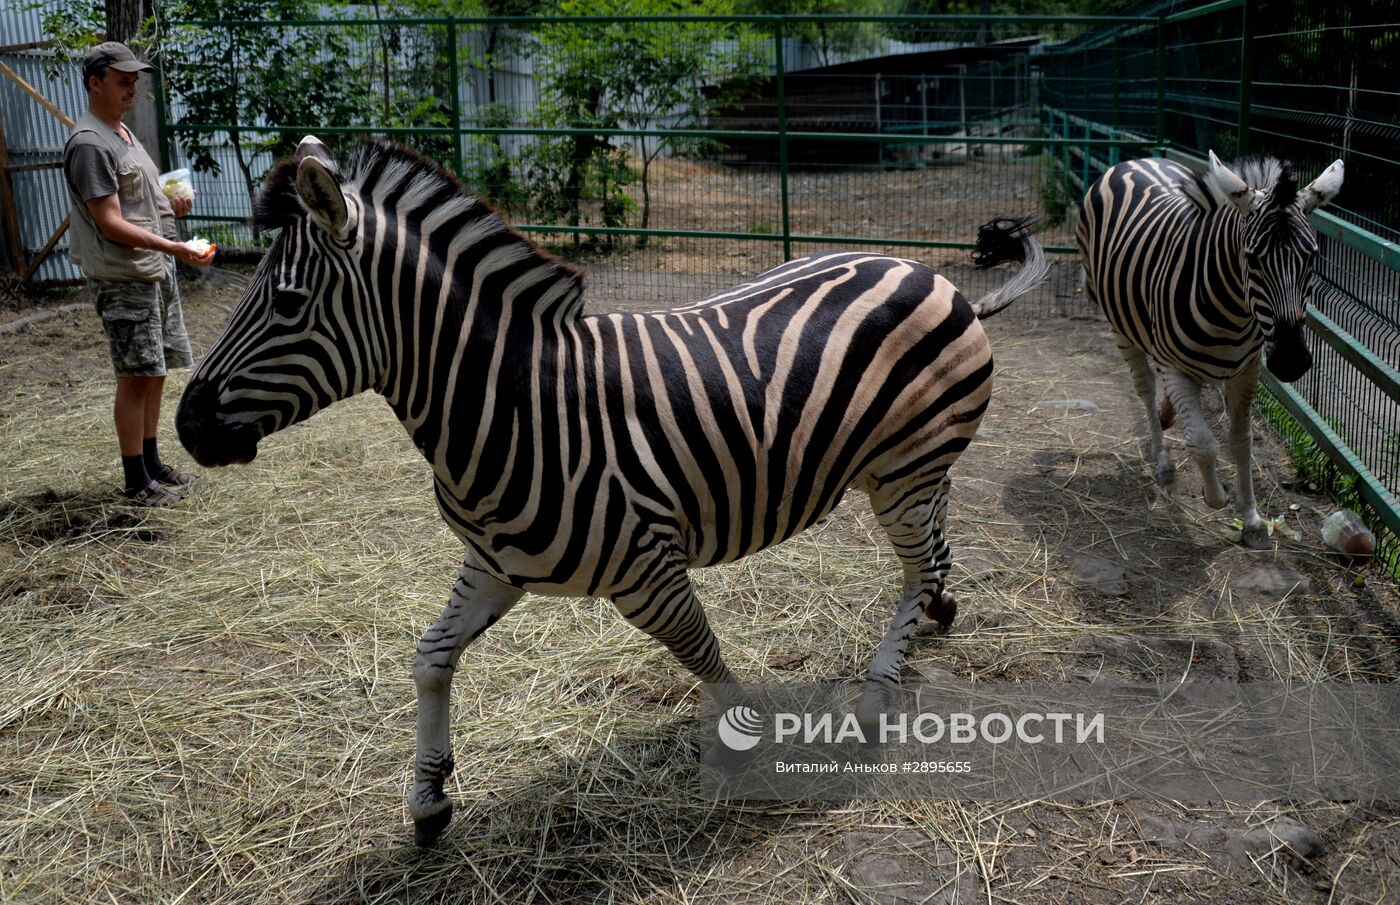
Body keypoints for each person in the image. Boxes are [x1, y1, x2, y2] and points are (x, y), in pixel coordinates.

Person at [63, 41, 214, 507]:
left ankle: (151, 463)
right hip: (124, 276)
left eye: (135, 80)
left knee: (155, 370)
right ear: (95, 82)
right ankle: (135, 483)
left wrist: (173, 205)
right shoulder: (90, 144)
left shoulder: (123, 134)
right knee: (134, 376)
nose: (132, 87)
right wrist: (172, 245)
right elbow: (109, 222)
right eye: (122, 80)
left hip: (153, 271)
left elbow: (138, 203)